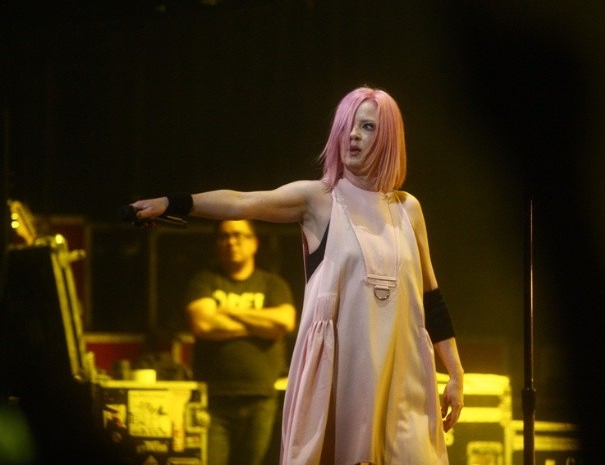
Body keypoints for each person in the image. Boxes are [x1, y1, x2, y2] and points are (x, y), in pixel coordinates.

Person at [131, 86, 465, 465]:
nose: (353, 135)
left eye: (367, 127)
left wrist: (455, 373)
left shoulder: (408, 209)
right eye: (347, 126)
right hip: (343, 374)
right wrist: (173, 203)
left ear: (388, 138)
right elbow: (243, 202)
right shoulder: (320, 200)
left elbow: (431, 298)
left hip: (402, 374)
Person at [184, 219, 296, 465]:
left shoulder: (272, 284)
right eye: (224, 237)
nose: (231, 242)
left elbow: (284, 322)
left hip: (261, 399)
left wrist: (225, 310)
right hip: (214, 400)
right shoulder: (204, 281)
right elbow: (203, 324)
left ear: (254, 243)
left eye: (239, 235)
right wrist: (260, 326)